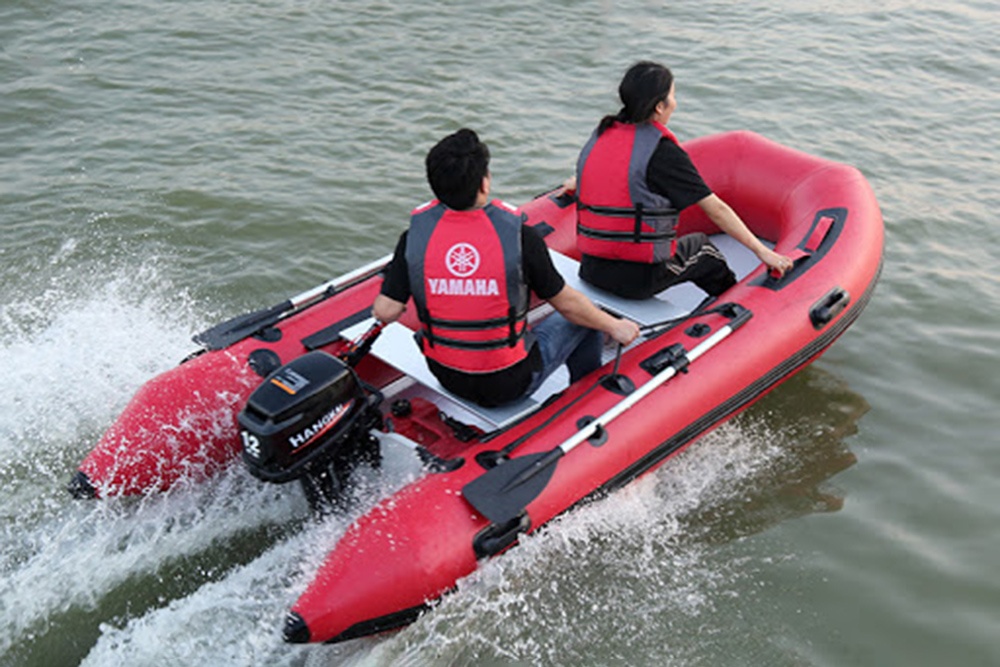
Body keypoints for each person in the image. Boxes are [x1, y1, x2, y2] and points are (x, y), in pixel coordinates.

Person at [373, 129, 640, 408]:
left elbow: (386, 311)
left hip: (447, 376)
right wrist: (615, 326)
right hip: (510, 384)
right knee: (588, 316)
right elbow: (568, 305)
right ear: (484, 184)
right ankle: (589, 395)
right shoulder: (519, 238)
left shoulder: (414, 239)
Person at [573, 60, 794, 300]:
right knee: (703, 249)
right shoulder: (662, 152)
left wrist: (574, 182)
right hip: (638, 280)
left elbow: (610, 177)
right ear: (659, 106)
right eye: (673, 96)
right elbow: (716, 210)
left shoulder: (603, 133)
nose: (675, 103)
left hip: (591, 269)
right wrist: (762, 252)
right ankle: (733, 307)